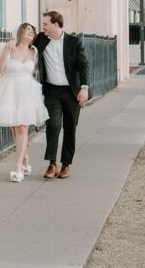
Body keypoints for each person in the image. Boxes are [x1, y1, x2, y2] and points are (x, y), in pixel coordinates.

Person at [0, 23, 49, 182]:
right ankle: (24, 157)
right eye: (28, 30)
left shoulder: (34, 52)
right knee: (15, 128)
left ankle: (18, 167)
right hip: (8, 91)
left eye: (33, 31)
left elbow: (37, 71)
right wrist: (6, 52)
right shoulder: (8, 47)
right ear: (20, 32)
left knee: (22, 127)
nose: (31, 33)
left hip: (27, 92)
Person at [32, 10, 90, 179]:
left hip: (72, 92)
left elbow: (84, 66)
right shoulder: (41, 40)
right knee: (53, 125)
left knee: (70, 127)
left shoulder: (74, 42)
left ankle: (66, 164)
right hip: (52, 91)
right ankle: (52, 164)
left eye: (45, 24)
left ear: (56, 25)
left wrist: (84, 88)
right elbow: (26, 44)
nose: (43, 27)